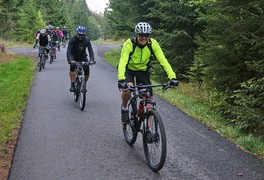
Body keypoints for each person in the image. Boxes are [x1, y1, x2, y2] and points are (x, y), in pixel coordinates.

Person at [117, 22, 178, 124]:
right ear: (137, 35)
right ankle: (124, 108)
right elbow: (123, 62)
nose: (144, 38)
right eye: (141, 35)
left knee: (149, 103)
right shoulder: (129, 44)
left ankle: (148, 131)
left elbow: (163, 61)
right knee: (127, 90)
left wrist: (173, 77)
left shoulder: (152, 44)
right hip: (129, 70)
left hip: (143, 72)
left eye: (146, 36)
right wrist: (121, 79)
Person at [66, 26, 95, 92]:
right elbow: (69, 50)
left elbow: (90, 50)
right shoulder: (73, 39)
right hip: (74, 56)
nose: (81, 36)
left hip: (83, 56)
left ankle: (84, 84)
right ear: (77, 33)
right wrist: (70, 59)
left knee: (87, 70)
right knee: (72, 67)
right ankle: (72, 84)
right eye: (80, 34)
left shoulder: (87, 40)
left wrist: (91, 59)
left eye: (83, 35)